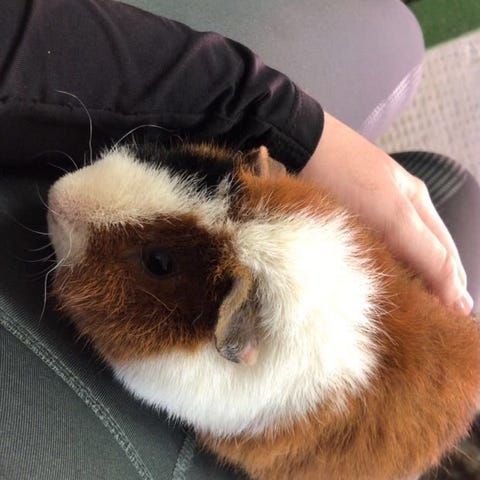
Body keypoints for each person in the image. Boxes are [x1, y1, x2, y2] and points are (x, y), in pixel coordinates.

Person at [0, 1, 478, 479]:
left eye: (158, 263)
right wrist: (280, 115)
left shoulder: (243, 388)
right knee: (401, 44)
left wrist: (288, 121)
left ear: (233, 340)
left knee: (401, 43)